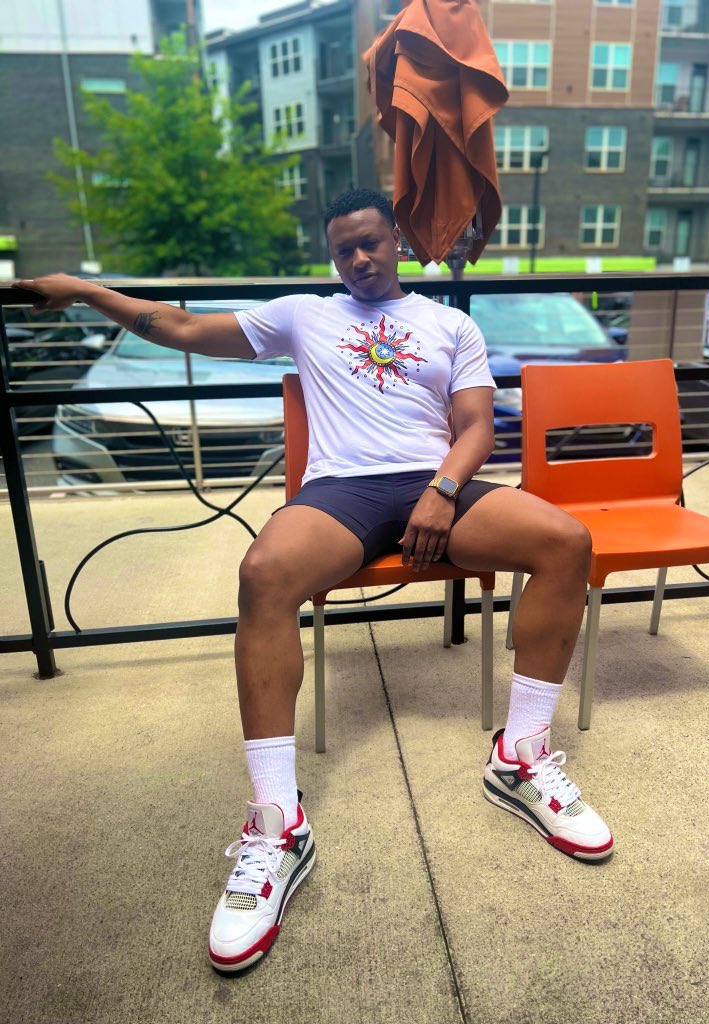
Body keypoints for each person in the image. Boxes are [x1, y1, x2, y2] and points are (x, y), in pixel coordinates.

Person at [15, 187, 613, 974]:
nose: (358, 258)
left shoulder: (451, 324)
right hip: (341, 492)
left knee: (567, 541)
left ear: (396, 240)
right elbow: (183, 327)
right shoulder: (303, 316)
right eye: (342, 250)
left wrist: (441, 491)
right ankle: (277, 823)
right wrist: (86, 291)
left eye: (369, 242)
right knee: (263, 572)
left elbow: (475, 426)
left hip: (436, 482)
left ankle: (520, 757)